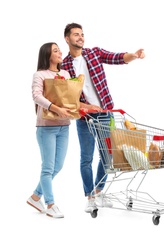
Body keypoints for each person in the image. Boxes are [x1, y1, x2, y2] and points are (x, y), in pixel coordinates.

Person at [61, 23, 145, 213]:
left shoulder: (94, 53)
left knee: (108, 156)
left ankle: (99, 192)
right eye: (76, 35)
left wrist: (134, 55)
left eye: (82, 34)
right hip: (84, 118)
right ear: (67, 39)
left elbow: (116, 58)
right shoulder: (64, 65)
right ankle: (90, 197)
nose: (81, 37)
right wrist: (86, 107)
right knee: (86, 158)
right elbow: (66, 96)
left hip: (105, 114)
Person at [27, 42, 92, 218]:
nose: (60, 52)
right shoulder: (39, 75)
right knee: (48, 168)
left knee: (58, 166)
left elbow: (71, 99)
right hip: (46, 127)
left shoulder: (65, 74)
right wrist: (56, 109)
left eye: (59, 50)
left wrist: (88, 106)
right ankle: (50, 204)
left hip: (64, 126)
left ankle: (35, 197)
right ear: (47, 55)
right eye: (55, 50)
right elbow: (36, 96)